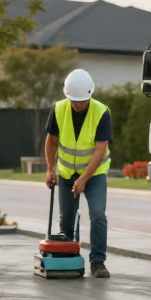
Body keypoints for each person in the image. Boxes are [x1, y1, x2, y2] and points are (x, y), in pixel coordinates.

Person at [44, 69, 112, 278]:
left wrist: (83, 178)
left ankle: (97, 262)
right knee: (66, 220)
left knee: (98, 215)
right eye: (74, 100)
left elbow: (100, 149)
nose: (78, 104)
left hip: (95, 173)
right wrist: (49, 169)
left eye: (82, 100)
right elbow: (52, 141)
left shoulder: (101, 112)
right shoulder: (58, 109)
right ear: (67, 95)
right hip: (65, 173)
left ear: (90, 95)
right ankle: (69, 258)